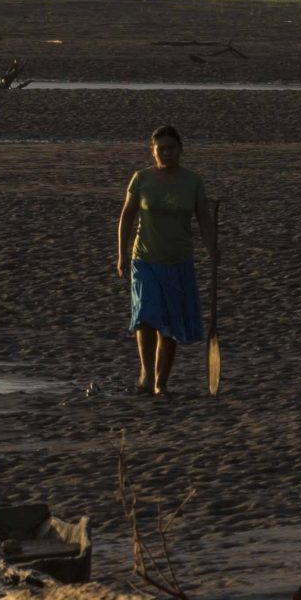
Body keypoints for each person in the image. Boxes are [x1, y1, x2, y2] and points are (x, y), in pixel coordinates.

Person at [114, 124, 217, 397]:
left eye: (171, 148)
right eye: (161, 149)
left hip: (178, 260)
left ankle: (161, 382)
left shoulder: (192, 181)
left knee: (169, 325)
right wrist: (122, 254)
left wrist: (212, 248)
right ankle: (146, 374)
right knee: (146, 318)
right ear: (153, 151)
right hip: (145, 258)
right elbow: (127, 217)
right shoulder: (141, 179)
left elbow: (204, 218)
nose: (166, 153)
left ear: (180, 150)